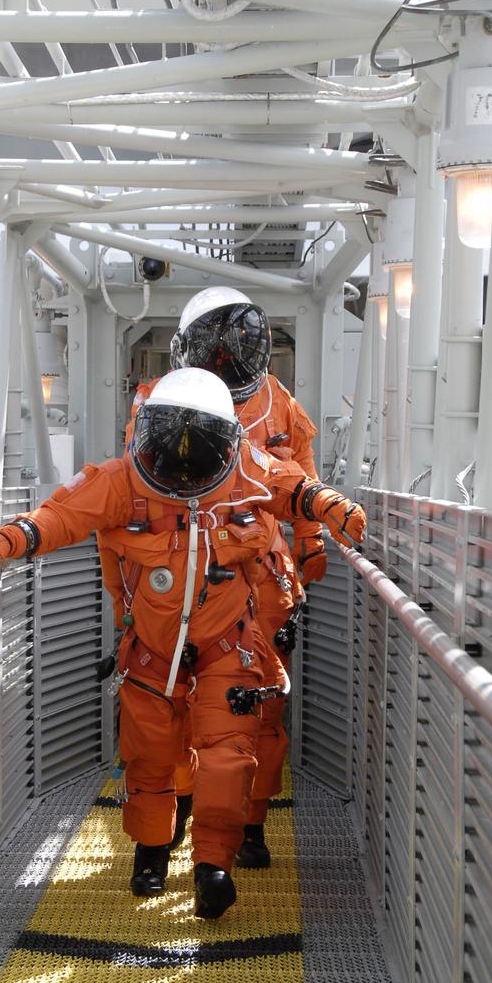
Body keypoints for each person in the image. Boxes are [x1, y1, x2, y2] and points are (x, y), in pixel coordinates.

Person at [0, 368, 365, 921]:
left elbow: (294, 486)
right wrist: (10, 539)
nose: (181, 460)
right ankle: (151, 851)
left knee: (227, 754)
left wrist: (329, 507)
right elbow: (58, 517)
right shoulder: (120, 482)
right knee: (151, 755)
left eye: (198, 447)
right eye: (169, 443)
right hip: (151, 649)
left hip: (229, 642)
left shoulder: (246, 467)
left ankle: (213, 866)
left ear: (226, 442)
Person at [125, 287, 325, 868]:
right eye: (216, 349)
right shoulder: (156, 403)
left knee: (257, 707)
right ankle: (182, 806)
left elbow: (303, 479)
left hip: (258, 577)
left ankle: (249, 822)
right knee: (171, 704)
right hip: (180, 574)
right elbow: (136, 494)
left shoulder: (280, 407)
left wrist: (309, 552)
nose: (227, 360)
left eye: (236, 348)